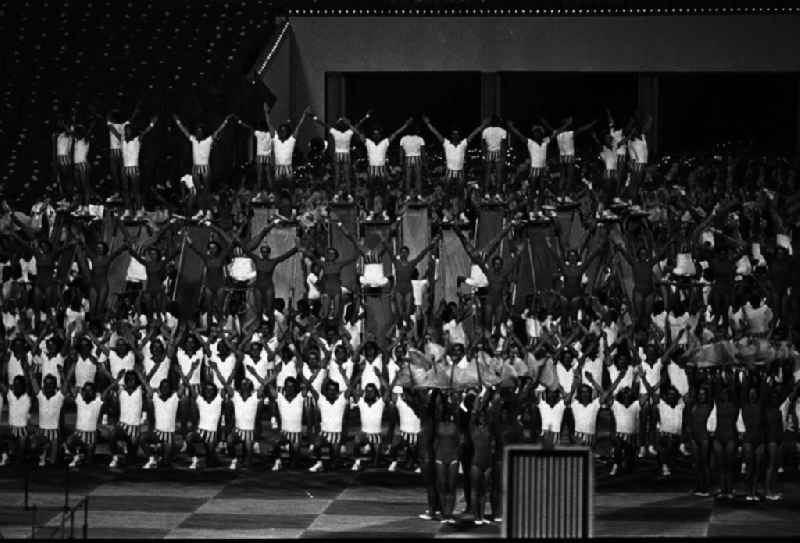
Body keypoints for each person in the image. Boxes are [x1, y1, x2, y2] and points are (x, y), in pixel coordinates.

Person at [172, 113, 235, 219]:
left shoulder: (208, 141)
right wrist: (178, 122)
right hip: (196, 168)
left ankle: (208, 212)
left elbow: (218, 131)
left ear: (203, 133)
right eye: (197, 131)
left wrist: (225, 122)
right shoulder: (193, 140)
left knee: (206, 191)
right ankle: (201, 211)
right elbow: (185, 131)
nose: (198, 133)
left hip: (205, 168)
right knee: (199, 191)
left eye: (200, 131)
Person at [107, 115, 159, 219]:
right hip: (124, 169)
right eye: (125, 130)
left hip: (134, 169)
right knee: (125, 190)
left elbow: (145, 132)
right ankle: (127, 210)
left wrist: (152, 124)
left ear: (132, 131)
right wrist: (108, 119)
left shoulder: (137, 140)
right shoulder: (122, 140)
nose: (127, 132)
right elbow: (113, 130)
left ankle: (139, 210)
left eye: (129, 130)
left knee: (136, 191)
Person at [311, 110, 372, 194]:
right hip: (344, 154)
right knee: (342, 176)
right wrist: (366, 117)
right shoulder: (346, 132)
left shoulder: (341, 132)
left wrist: (314, 118)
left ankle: (343, 194)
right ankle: (344, 194)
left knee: (339, 176)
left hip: (339, 154)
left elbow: (324, 124)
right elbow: (358, 124)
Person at [422, 116, 487, 187]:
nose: (455, 136)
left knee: (460, 191)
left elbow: (473, 133)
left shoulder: (463, 144)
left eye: (457, 134)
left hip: (460, 172)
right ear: (451, 135)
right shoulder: (446, 143)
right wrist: (428, 124)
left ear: (459, 136)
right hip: (449, 172)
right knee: (447, 191)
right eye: (454, 134)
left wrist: (483, 125)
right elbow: (436, 133)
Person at [236, 103, 275, 199]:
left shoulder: (258, 133)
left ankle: (261, 192)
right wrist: (266, 113)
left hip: (260, 156)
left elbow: (250, 128)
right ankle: (270, 192)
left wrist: (241, 123)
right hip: (267, 156)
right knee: (268, 175)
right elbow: (268, 123)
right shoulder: (271, 134)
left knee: (260, 175)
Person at [272, 107, 312, 186]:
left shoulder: (291, 140)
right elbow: (269, 124)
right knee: (277, 186)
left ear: (287, 132)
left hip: (288, 167)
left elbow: (298, 127)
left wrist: (304, 115)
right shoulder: (276, 138)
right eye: (281, 131)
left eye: (284, 131)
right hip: (278, 167)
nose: (282, 132)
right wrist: (266, 113)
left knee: (290, 186)